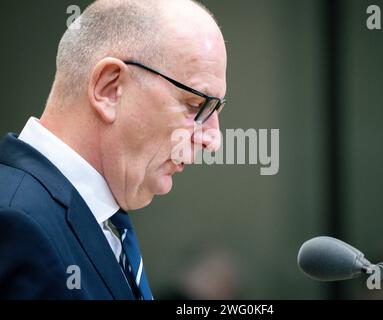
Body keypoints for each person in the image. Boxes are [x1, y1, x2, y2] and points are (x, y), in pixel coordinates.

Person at [0, 0, 227, 299]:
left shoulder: (99, 219)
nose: (214, 139)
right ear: (110, 89)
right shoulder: (17, 224)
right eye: (196, 105)